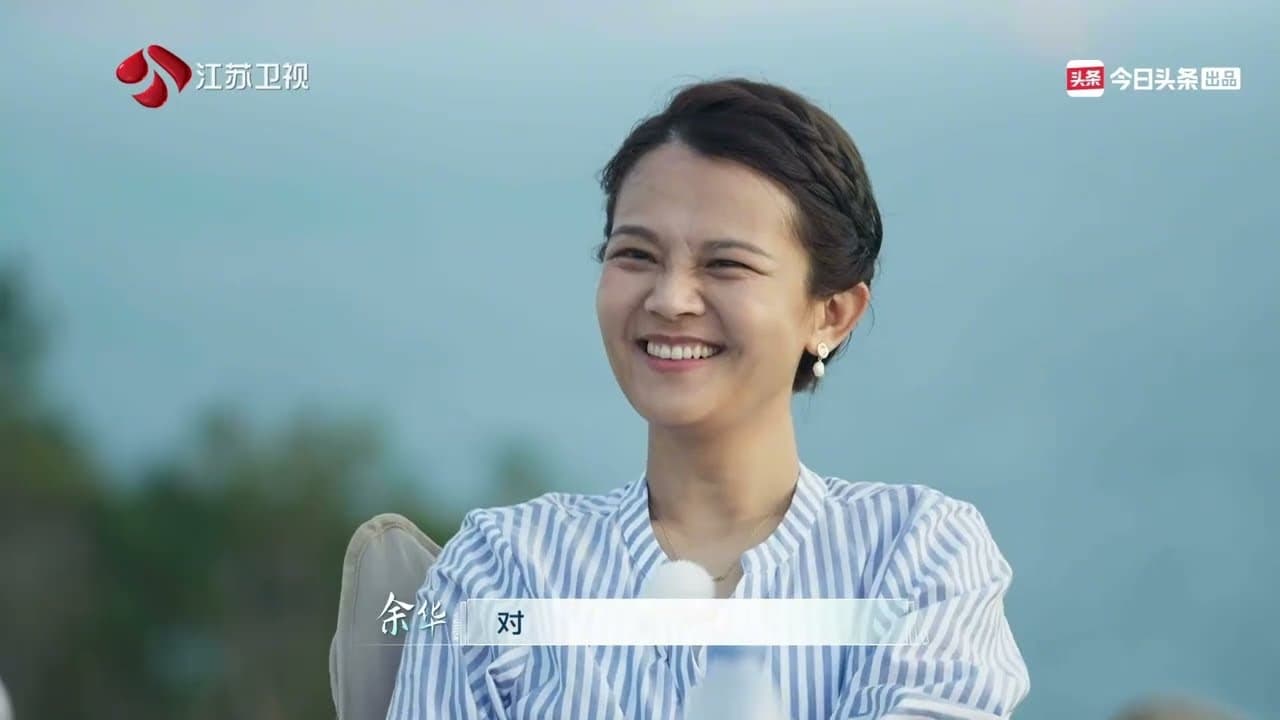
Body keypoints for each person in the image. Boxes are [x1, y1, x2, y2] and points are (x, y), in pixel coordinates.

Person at [385, 77, 1030, 719]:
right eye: (635, 254)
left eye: (726, 264)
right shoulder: (504, 567)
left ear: (831, 314)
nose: (669, 300)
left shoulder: (919, 556)